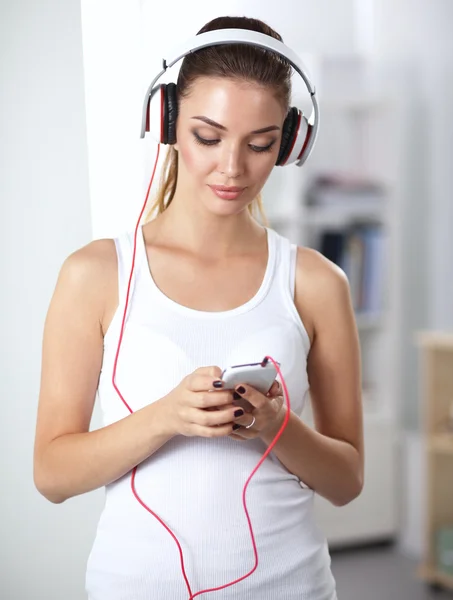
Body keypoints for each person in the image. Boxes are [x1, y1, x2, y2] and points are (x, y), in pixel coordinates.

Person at [33, 15, 363, 600]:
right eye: (208, 137)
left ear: (288, 143)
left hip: (292, 586)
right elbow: (53, 475)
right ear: (167, 124)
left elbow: (346, 482)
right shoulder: (96, 274)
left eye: (259, 143)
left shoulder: (315, 282)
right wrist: (167, 416)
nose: (233, 168)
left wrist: (274, 426)